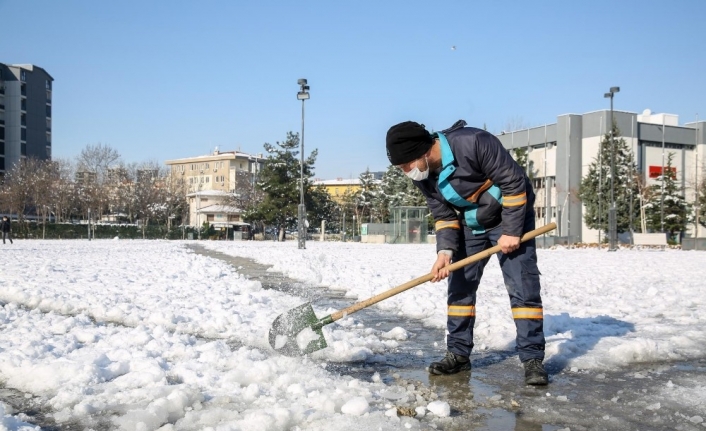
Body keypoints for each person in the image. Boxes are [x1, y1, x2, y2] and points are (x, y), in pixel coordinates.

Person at [385, 120, 548, 386]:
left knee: (522, 284)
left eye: (406, 166)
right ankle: (458, 354)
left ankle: (532, 359)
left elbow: (514, 183)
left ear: (422, 152)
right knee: (459, 285)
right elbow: (444, 215)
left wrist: (511, 230)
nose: (406, 173)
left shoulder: (474, 142)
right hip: (472, 222)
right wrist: (445, 251)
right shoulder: (424, 174)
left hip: (510, 215)